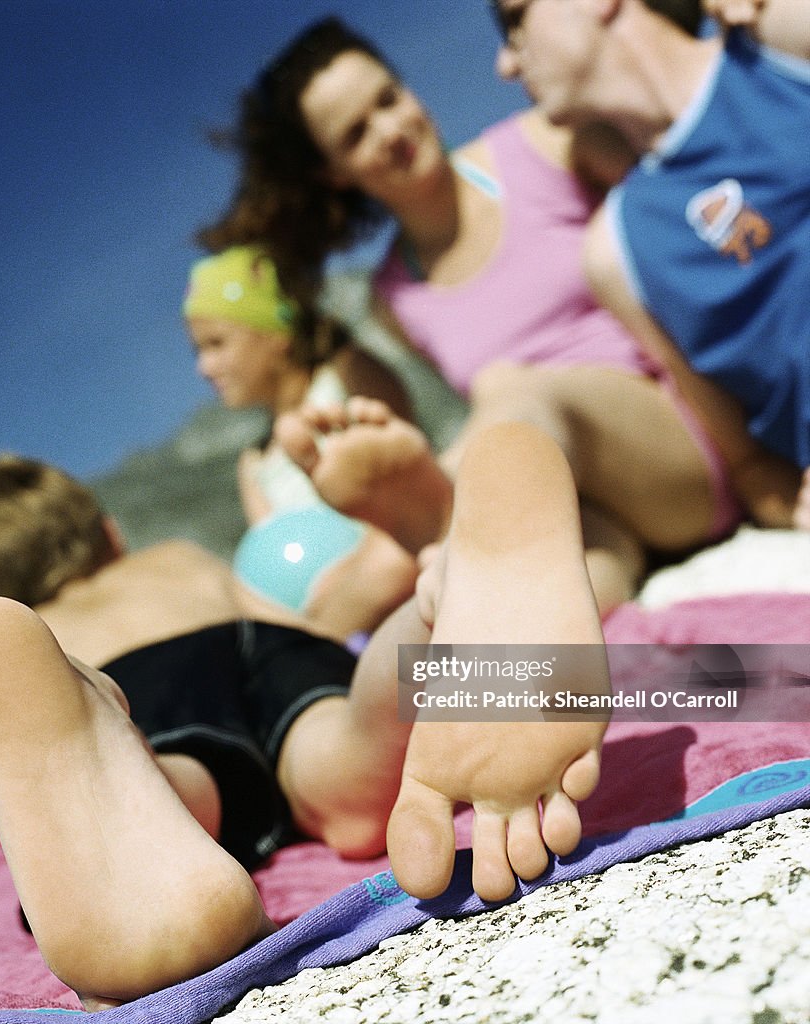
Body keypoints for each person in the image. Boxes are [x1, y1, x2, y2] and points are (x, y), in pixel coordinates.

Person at [0, 424, 610, 1006]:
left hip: (139, 690)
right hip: (261, 651)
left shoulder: (40, 634)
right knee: (340, 762)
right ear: (111, 535)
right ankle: (429, 616)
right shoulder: (178, 562)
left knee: (169, 786)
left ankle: (120, 763)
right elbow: (302, 624)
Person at [201, 16, 800, 614]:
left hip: (686, 443)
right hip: (581, 496)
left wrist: (762, 464)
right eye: (357, 134)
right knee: (549, 601)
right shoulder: (394, 298)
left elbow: (694, 220)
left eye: (389, 98)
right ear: (334, 173)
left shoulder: (547, 146)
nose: (390, 129)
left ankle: (442, 508)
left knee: (505, 388)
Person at [490, 0, 810, 522]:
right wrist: (796, 510)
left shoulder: (780, 43)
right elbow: (751, 467)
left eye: (514, 22)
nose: (506, 64)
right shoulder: (616, 253)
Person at [183, 244, 418, 640]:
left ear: (277, 336)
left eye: (217, 344)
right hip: (347, 633)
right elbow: (271, 570)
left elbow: (408, 476)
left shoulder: (347, 377)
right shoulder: (253, 464)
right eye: (198, 351)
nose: (203, 367)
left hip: (406, 589)